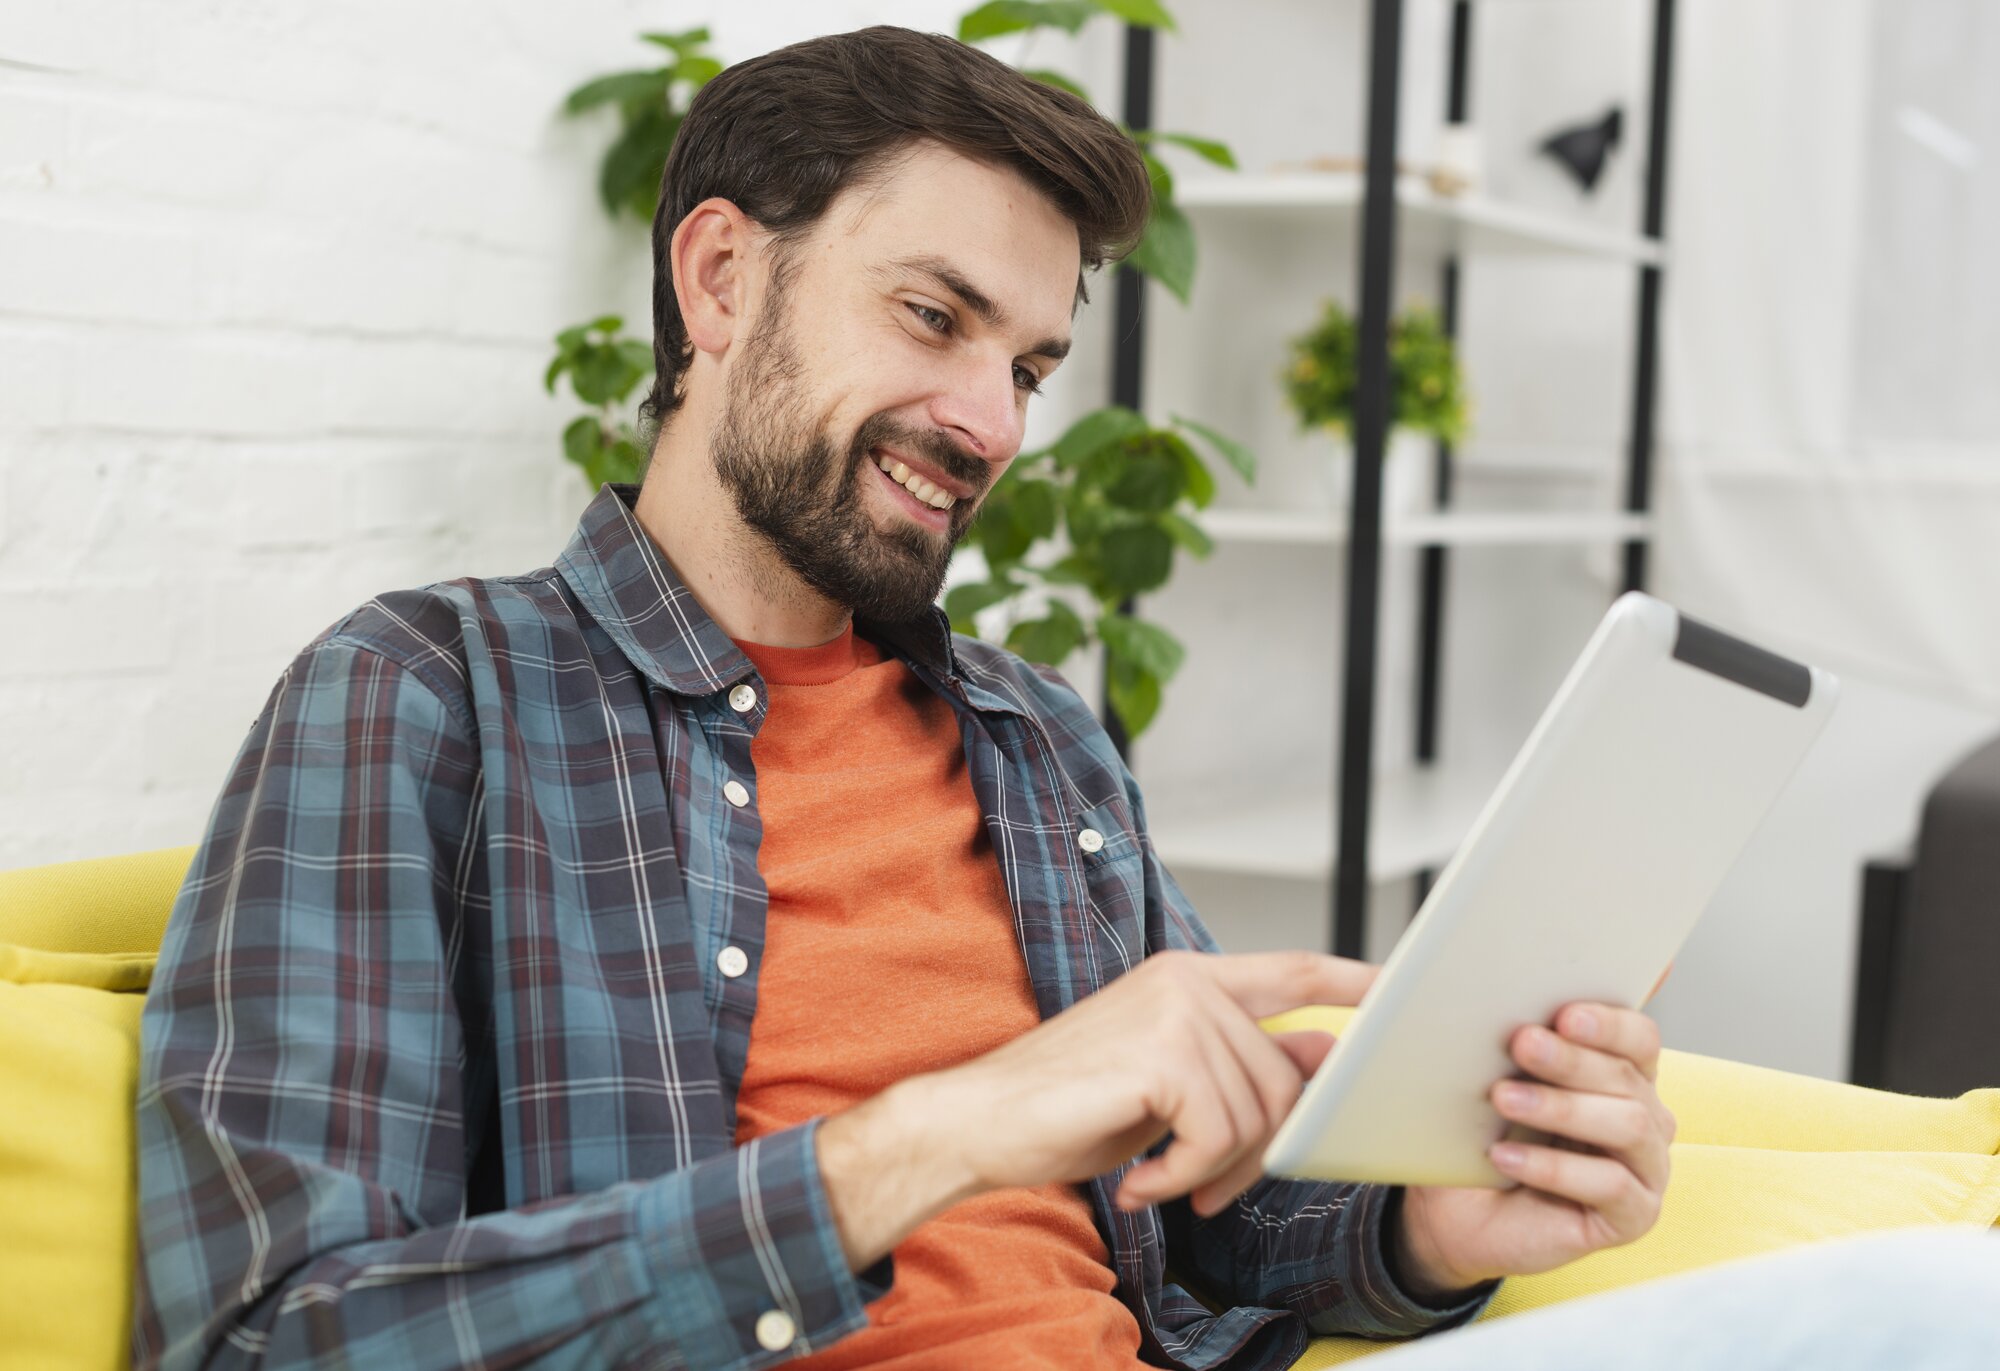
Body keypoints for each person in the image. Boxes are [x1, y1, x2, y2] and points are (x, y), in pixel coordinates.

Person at [141, 24, 1751, 1369]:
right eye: (933, 316)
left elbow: (1214, 1212)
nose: (987, 420)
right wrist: (937, 1135)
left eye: (1032, 367)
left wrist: (1426, 1229)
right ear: (718, 280)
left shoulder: (1034, 736)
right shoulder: (425, 699)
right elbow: (271, 1336)